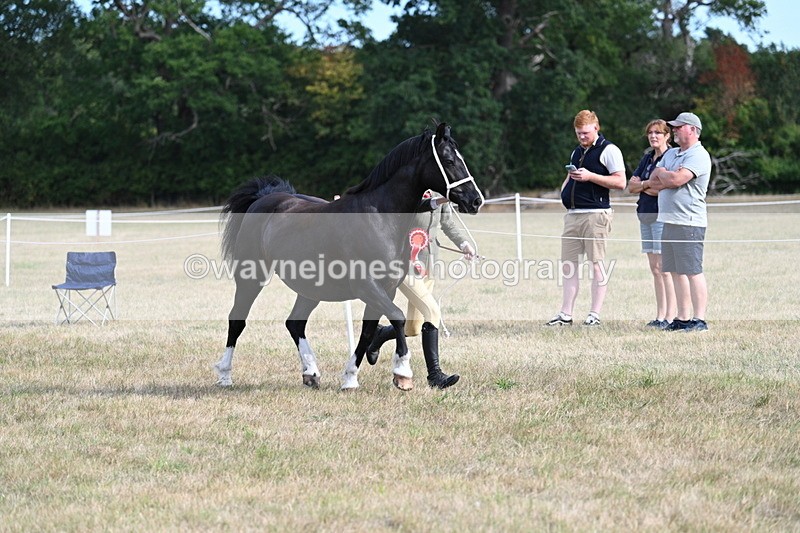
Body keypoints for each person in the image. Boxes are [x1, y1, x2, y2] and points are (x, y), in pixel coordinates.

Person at [367, 191, 476, 388]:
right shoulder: (410, 190)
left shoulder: (440, 191)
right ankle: (435, 376)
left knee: (413, 328)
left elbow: (447, 223)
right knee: (432, 312)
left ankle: (380, 334)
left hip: (429, 265)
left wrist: (464, 244)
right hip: (404, 265)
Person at [546, 110, 626, 327]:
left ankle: (594, 314)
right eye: (578, 133)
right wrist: (564, 191)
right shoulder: (576, 151)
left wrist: (590, 176)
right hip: (573, 215)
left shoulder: (609, 150)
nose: (582, 137)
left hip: (596, 215)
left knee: (596, 265)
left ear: (596, 128)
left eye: (586, 133)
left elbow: (621, 182)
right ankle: (565, 314)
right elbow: (568, 178)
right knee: (568, 266)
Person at [645, 112, 711, 332]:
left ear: (692, 130)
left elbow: (676, 179)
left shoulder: (698, 155)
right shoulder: (672, 153)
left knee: (692, 270)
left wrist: (666, 175)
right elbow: (653, 180)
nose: (674, 130)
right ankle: (682, 318)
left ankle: (699, 319)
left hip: (688, 222)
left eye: (679, 127)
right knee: (674, 271)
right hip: (668, 220)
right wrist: (665, 175)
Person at [627, 119, 677, 329]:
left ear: (667, 136)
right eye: (650, 133)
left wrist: (644, 185)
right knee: (655, 268)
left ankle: (670, 317)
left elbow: (664, 187)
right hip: (645, 215)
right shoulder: (647, 158)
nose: (653, 136)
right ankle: (659, 315)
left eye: (658, 133)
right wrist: (648, 184)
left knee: (665, 269)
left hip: (661, 216)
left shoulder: (671, 157)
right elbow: (631, 186)